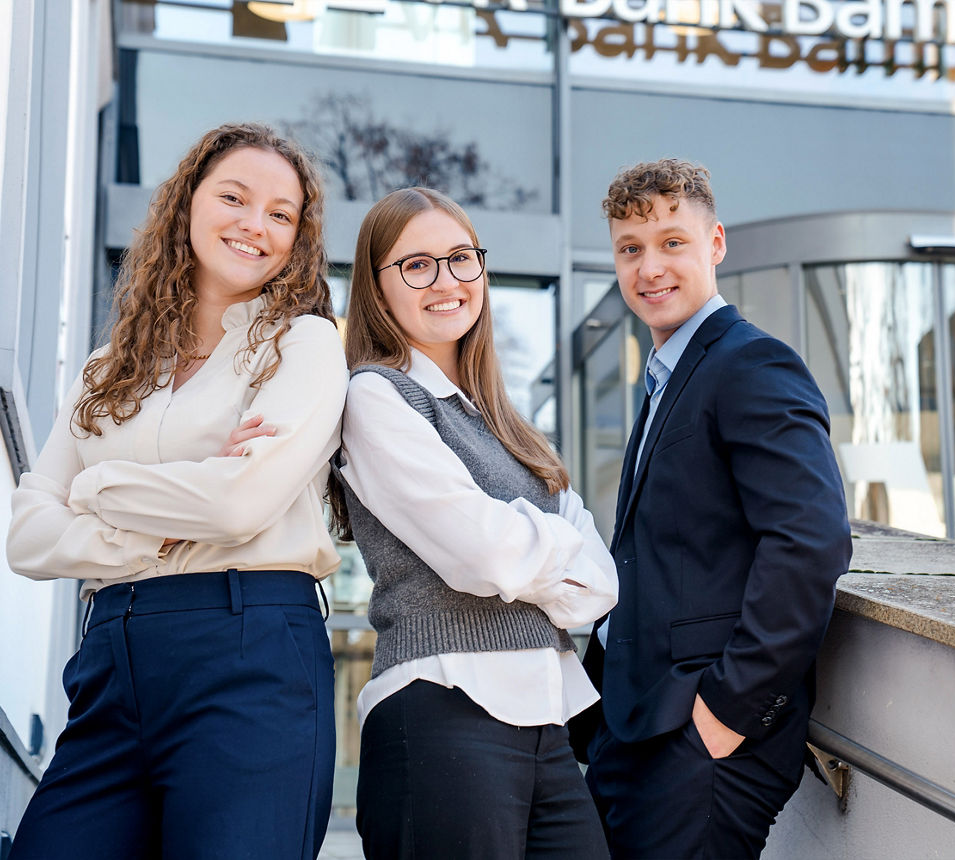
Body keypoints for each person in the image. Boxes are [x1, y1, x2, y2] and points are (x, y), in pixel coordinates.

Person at [5, 122, 347, 859]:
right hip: (111, 658)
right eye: (234, 197)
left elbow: (236, 505)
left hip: (248, 655)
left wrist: (94, 485)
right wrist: (165, 514)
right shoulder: (107, 370)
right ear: (188, 203)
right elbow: (28, 536)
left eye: (281, 214)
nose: (255, 225)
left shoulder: (305, 346)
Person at [573, 158, 852, 859]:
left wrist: (726, 712)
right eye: (630, 249)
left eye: (673, 242)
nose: (650, 268)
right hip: (635, 731)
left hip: (702, 743)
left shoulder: (752, 365)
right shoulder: (668, 376)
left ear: (715, 244)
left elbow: (810, 542)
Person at [329, 187, 617, 859]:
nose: (446, 281)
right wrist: (541, 542)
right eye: (416, 265)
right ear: (377, 287)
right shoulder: (377, 395)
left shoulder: (508, 427)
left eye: (461, 259)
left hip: (548, 721)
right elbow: (485, 557)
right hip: (442, 711)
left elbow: (600, 586)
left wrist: (521, 543)